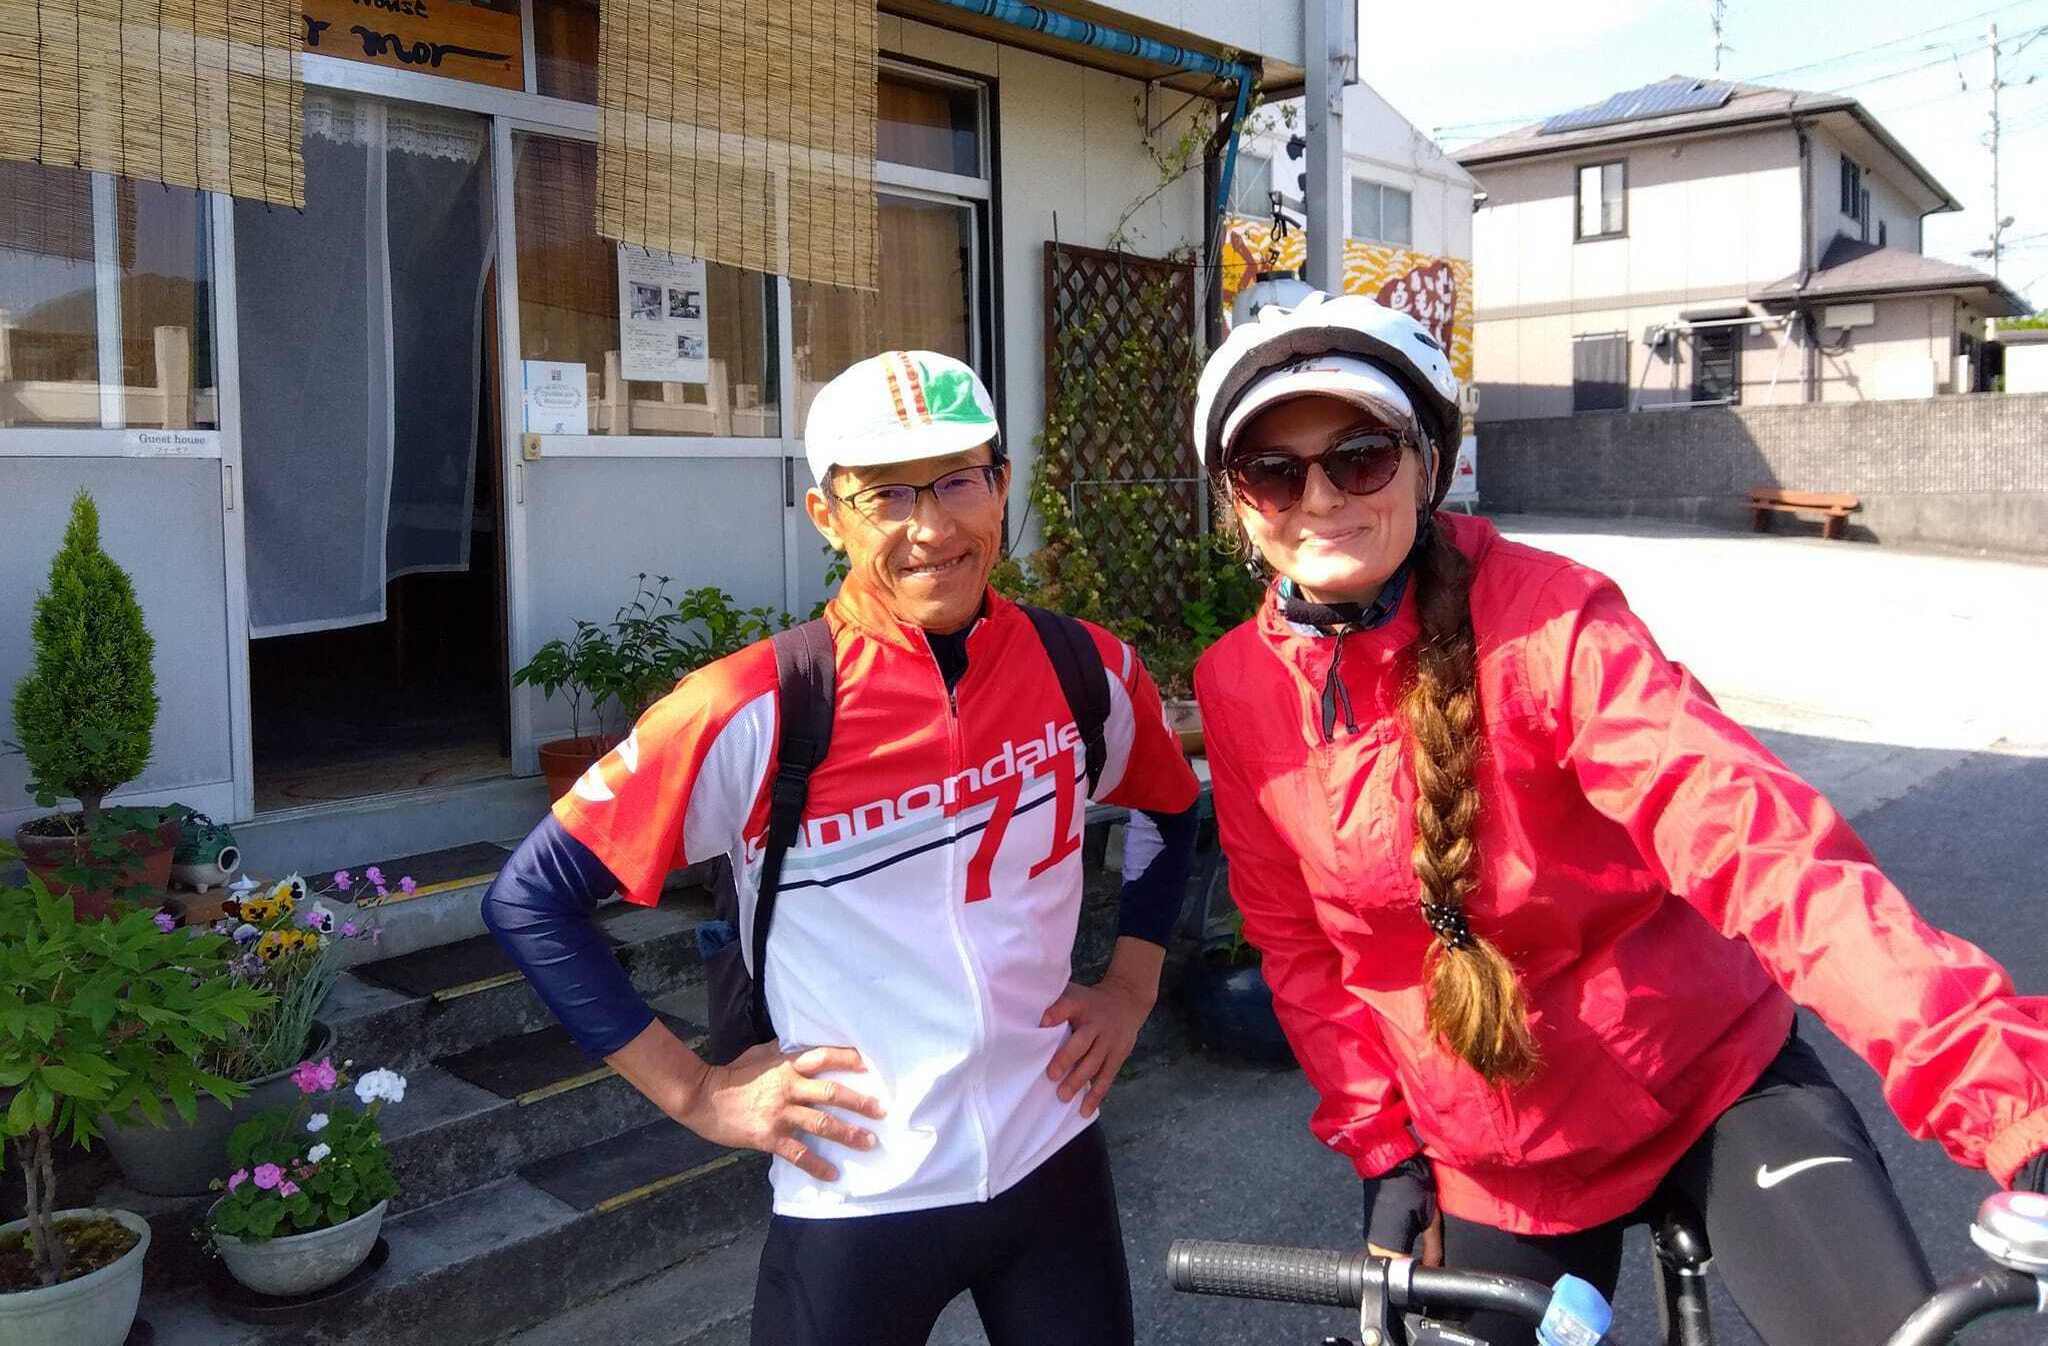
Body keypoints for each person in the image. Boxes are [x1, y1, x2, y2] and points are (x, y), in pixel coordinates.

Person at [1186, 290, 2048, 1346]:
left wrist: (2009, 1097)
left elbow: (1756, 841)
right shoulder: (1236, 686)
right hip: (1500, 1149)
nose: (1318, 497)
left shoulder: (1551, 621)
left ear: (1425, 463)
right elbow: (1300, 948)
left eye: (1360, 457)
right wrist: (1382, 1150)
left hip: (1708, 1076)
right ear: (1237, 502)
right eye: (1272, 471)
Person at [482, 349, 1200, 1346]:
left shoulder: (1084, 666)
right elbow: (530, 900)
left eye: (958, 480)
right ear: (827, 515)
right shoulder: (752, 707)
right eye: (887, 495)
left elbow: (1171, 803)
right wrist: (695, 1092)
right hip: (858, 1192)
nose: (931, 526)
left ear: (1001, 484)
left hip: (1053, 1158)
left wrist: (1130, 986)